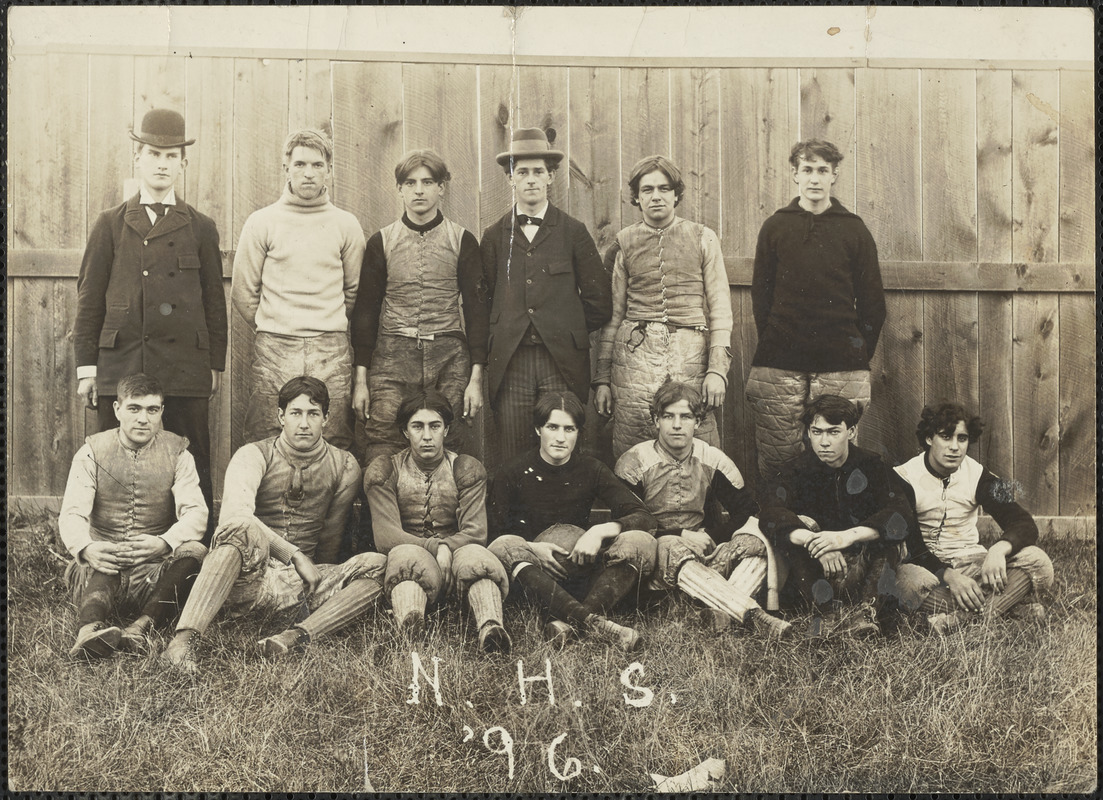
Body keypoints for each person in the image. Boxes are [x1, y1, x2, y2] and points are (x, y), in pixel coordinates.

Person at [161, 377, 386, 673]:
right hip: (245, 578)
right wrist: (293, 555)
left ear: (326, 419)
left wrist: (318, 577)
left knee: (378, 564)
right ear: (281, 417)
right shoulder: (253, 454)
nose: (304, 423)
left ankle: (296, 636)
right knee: (241, 527)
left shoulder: (344, 465)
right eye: (295, 413)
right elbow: (234, 516)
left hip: (300, 585)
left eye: (313, 414)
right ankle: (183, 641)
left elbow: (332, 535)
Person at [74, 109, 226, 536]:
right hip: (122, 363)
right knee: (114, 464)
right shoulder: (110, 224)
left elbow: (215, 301)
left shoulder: (201, 227)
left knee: (191, 460)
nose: (162, 163)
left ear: (183, 163)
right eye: (153, 153)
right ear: (137, 157)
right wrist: (88, 369)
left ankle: (192, 555)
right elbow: (89, 300)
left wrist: (214, 364)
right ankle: (108, 552)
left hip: (184, 366)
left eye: (171, 155)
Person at [746, 140, 885, 481]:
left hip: (840, 364)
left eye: (822, 170)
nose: (814, 179)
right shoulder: (775, 227)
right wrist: (779, 340)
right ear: (794, 174)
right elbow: (760, 297)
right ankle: (783, 525)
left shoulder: (853, 229)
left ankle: (838, 528)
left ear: (834, 175)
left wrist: (854, 352)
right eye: (807, 170)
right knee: (779, 455)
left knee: (836, 452)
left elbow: (872, 304)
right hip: (779, 361)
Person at [615, 380, 790, 637]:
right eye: (668, 416)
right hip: (657, 554)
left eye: (686, 417)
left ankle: (716, 613)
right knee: (671, 547)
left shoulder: (711, 458)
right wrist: (679, 534)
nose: (677, 425)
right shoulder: (635, 461)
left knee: (757, 544)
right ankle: (752, 614)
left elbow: (746, 510)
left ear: (697, 422)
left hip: (703, 552)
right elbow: (625, 522)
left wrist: (713, 537)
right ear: (656, 420)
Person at [487, 392, 658, 650]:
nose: (560, 437)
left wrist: (599, 531)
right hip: (534, 578)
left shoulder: (591, 468)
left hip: (582, 570)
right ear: (538, 429)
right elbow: (494, 539)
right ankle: (593, 622)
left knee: (640, 541)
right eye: (552, 427)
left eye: (569, 429)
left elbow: (643, 516)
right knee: (503, 546)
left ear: (578, 433)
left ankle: (574, 621)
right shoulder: (512, 472)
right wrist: (533, 549)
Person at [480, 127, 611, 463]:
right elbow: (484, 304)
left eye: (539, 171)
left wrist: (564, 329)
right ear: (510, 178)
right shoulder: (495, 237)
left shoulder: (573, 232)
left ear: (551, 176)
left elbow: (600, 304)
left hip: (561, 362)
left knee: (561, 449)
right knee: (513, 449)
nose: (531, 180)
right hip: (512, 362)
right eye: (522, 172)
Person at [351, 150, 489, 464]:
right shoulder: (382, 242)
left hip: (448, 355)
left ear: (442, 188)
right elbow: (365, 313)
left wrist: (475, 379)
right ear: (399, 189)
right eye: (410, 182)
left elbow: (477, 311)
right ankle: (383, 512)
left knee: (450, 439)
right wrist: (361, 380)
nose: (419, 190)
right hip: (392, 356)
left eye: (428, 182)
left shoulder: (462, 240)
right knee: (383, 438)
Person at [232, 129, 366, 449]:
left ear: (329, 171)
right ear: (286, 168)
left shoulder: (345, 224)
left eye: (318, 165)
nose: (309, 173)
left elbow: (353, 291)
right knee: (268, 430)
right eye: (300, 164)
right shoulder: (262, 222)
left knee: (333, 435)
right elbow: (243, 292)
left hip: (330, 348)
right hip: (275, 348)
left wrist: (323, 322)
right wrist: (278, 323)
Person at [58, 373, 207, 659]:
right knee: (108, 555)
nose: (143, 419)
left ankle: (140, 629)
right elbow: (72, 513)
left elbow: (196, 512)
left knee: (195, 550)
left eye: (152, 410)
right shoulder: (92, 451)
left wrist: (164, 543)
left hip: (152, 571)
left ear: (161, 412)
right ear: (117, 410)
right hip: (98, 571)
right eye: (134, 408)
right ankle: (88, 630)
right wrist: (88, 549)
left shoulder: (178, 452)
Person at [595, 156, 732, 458]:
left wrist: (717, 371)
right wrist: (602, 379)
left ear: (676, 194)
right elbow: (613, 316)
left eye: (664, 188)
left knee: (697, 435)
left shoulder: (702, 237)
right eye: (647, 190)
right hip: (634, 359)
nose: (656, 196)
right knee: (634, 435)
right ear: (636, 196)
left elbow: (720, 309)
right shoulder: (623, 243)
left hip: (691, 353)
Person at [362, 390, 510, 653]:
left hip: (456, 561)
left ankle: (491, 629)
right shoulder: (385, 469)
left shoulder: (465, 467)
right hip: (408, 557)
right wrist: (435, 547)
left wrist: (447, 549)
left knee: (477, 557)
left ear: (447, 429)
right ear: (405, 431)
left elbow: (475, 532)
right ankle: (409, 627)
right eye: (417, 426)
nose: (427, 436)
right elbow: (386, 537)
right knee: (407, 557)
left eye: (435, 426)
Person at [759, 395, 912, 638]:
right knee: (793, 535)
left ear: (851, 431)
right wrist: (814, 541)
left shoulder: (872, 465)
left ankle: (866, 614)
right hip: (814, 572)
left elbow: (901, 515)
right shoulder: (796, 470)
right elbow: (770, 512)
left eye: (833, 432)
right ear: (808, 432)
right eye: (816, 432)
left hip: (864, 565)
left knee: (889, 540)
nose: (824, 442)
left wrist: (845, 537)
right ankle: (826, 616)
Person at [894, 403, 1053, 634]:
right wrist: (950, 576)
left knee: (1038, 560)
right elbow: (913, 546)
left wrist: (998, 550)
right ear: (929, 438)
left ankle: (957, 622)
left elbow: (1022, 521)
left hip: (972, 563)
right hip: (929, 569)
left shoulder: (977, 474)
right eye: (946, 437)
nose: (954, 447)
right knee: (902, 580)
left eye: (962, 439)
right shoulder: (905, 477)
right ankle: (1007, 609)